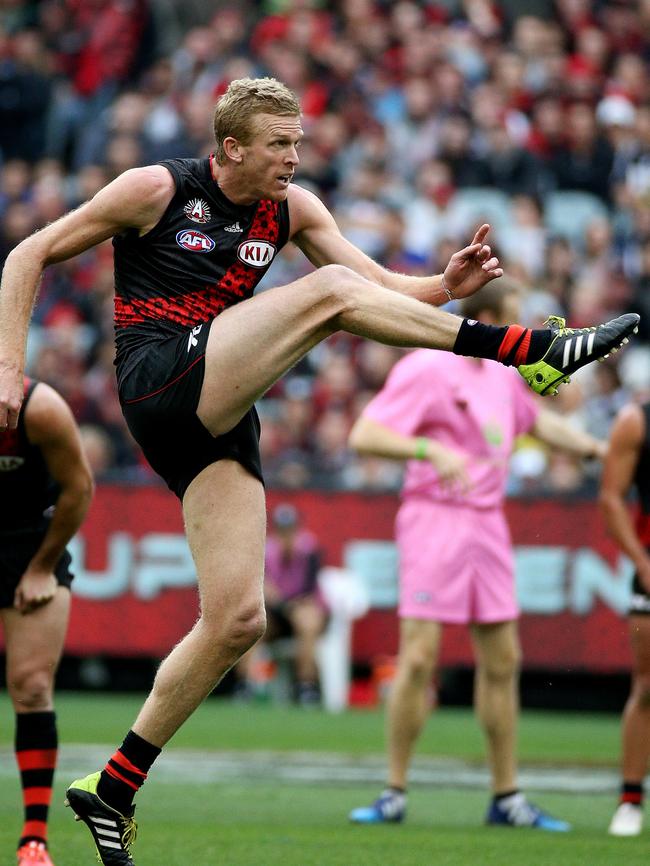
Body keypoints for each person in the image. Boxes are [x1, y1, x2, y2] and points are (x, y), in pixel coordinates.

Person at [0, 77, 637, 864]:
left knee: (238, 619)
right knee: (327, 295)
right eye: (280, 144)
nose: (295, 156)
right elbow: (29, 251)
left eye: (299, 141)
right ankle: (533, 351)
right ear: (232, 146)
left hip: (217, 410)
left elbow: (374, 289)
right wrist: (8, 369)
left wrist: (444, 285)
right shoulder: (157, 187)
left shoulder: (293, 210)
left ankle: (115, 788)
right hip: (159, 380)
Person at [347, 282, 608, 831]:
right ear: (486, 318)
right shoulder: (427, 367)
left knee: (503, 660)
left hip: (487, 525)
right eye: (512, 321)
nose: (520, 335)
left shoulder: (502, 376)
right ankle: (393, 791)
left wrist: (599, 449)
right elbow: (365, 434)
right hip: (433, 517)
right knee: (418, 659)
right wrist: (428, 447)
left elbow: (538, 424)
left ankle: (507, 797)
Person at [1, 378, 93, 866]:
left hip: (29, 545)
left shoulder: (40, 409)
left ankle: (33, 839)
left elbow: (79, 488)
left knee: (32, 685)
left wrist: (41, 566)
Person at [600, 400, 650, 837]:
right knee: (647, 684)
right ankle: (631, 798)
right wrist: (642, 560)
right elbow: (611, 497)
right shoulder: (636, 420)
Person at [235, 502, 327, 705]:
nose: (287, 536)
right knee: (250, 625)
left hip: (302, 610)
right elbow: (262, 588)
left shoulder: (309, 550)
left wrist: (291, 605)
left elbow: (309, 591)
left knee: (307, 621)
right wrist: (283, 604)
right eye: (283, 530)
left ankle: (306, 686)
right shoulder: (266, 551)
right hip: (275, 614)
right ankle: (245, 686)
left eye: (291, 530)